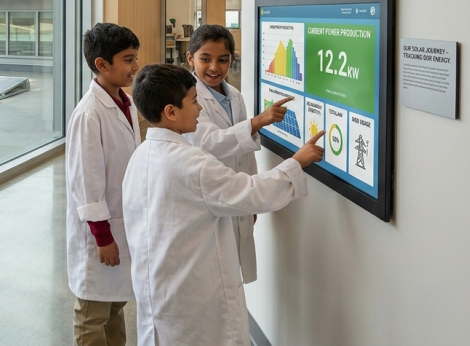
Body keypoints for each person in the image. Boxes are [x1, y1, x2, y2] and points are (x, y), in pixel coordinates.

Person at [122, 64, 324, 346]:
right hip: (194, 300)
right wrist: (297, 162)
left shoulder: (140, 156)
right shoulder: (192, 164)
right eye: (193, 102)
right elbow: (252, 193)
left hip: (159, 293)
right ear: (171, 112)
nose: (200, 109)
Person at [183, 24, 294, 283]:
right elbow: (208, 142)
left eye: (223, 60)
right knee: (212, 275)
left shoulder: (233, 95)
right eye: (205, 59)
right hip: (208, 195)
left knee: (231, 274)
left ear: (232, 60)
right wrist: (257, 122)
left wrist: (251, 202)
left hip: (234, 193)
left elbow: (245, 155)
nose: (214, 67)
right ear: (190, 59)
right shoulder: (188, 97)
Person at [64, 22, 141, 346]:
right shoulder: (89, 114)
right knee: (92, 313)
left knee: (115, 304)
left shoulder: (125, 103)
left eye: (135, 58)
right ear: (102, 64)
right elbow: (87, 183)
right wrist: (102, 236)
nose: (135, 67)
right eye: (127, 59)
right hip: (101, 232)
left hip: (122, 222)